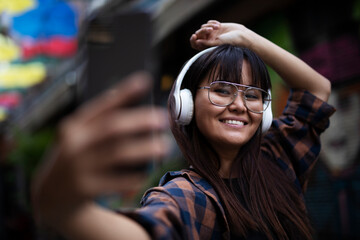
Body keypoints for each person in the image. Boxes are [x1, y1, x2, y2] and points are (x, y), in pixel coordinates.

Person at [31, 20, 335, 240]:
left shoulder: (277, 159)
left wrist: (247, 38)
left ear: (264, 112)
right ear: (185, 103)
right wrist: (66, 210)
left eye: (252, 95)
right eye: (222, 90)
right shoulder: (187, 194)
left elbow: (317, 88)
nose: (239, 105)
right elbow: (148, 231)